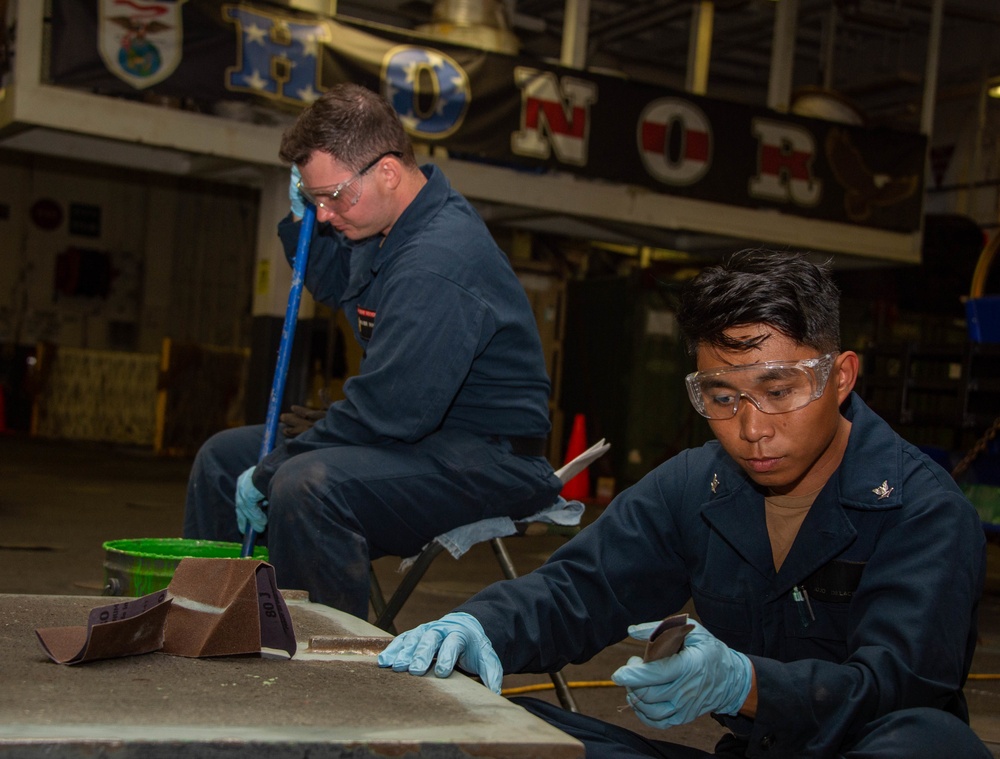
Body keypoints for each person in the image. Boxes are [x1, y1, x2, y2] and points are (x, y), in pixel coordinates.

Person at [378, 249, 991, 759]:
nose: (751, 428)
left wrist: (745, 684)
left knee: (931, 743)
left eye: (778, 390)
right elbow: (580, 590)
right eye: (721, 397)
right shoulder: (696, 486)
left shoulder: (923, 512)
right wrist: (477, 626)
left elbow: (895, 689)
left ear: (841, 376)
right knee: (491, 736)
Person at [182, 83, 562, 619]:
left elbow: (391, 410)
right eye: (315, 199)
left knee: (304, 483)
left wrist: (278, 467)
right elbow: (340, 287)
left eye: (333, 196)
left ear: (386, 171)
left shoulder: (438, 258)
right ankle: (216, 620)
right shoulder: (382, 229)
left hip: (485, 460)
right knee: (225, 459)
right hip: (419, 439)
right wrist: (301, 224)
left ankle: (329, 668)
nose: (327, 214)